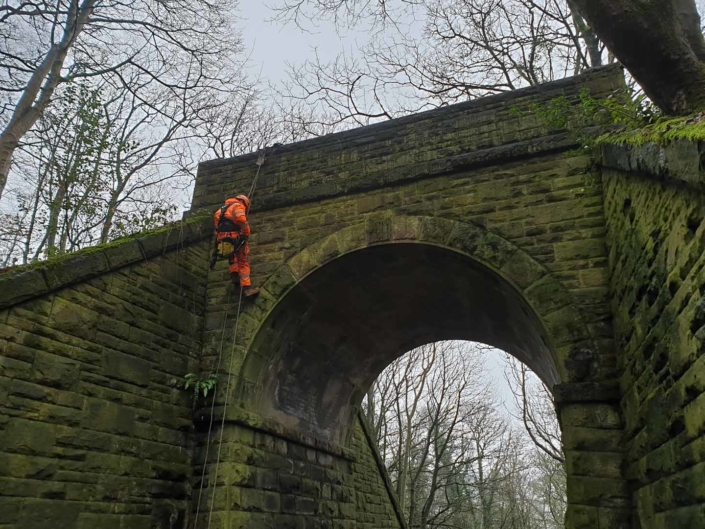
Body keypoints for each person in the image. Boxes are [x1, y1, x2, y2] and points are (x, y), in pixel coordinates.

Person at [213, 195, 260, 297]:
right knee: (243, 262)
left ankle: (235, 278)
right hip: (235, 237)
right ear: (245, 202)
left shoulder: (220, 210)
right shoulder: (238, 206)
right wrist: (247, 232)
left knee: (232, 258)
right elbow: (241, 220)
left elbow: (217, 227)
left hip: (222, 239)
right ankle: (246, 288)